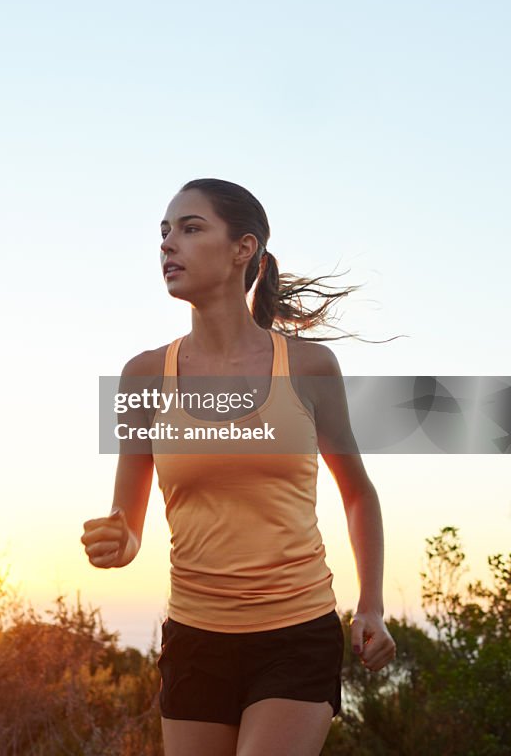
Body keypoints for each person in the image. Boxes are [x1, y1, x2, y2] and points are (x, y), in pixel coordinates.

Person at [81, 178, 397, 756]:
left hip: (296, 633)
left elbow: (358, 494)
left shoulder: (309, 366)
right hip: (195, 639)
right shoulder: (141, 377)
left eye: (190, 228)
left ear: (242, 249)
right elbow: (127, 524)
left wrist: (371, 604)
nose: (168, 244)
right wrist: (116, 541)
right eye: (164, 233)